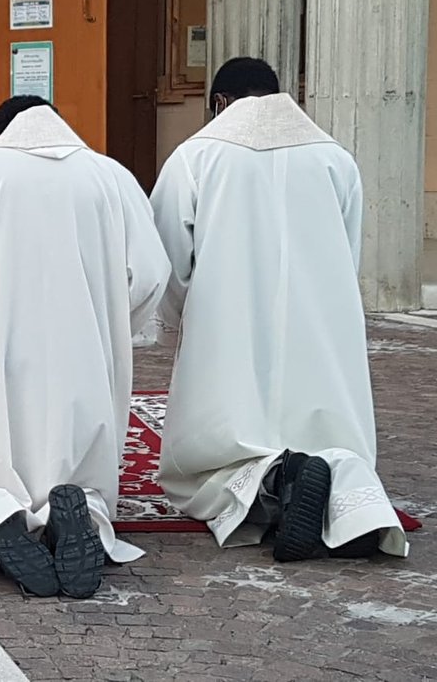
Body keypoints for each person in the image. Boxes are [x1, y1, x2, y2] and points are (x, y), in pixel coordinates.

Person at [0, 96, 170, 598]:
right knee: (82, 465)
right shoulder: (111, 178)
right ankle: (81, 512)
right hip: (83, 354)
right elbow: (150, 274)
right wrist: (106, 325)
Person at [150, 56, 408, 562]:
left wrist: (180, 323)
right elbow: (347, 252)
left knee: (212, 464)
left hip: (228, 328)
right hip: (320, 328)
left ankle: (272, 480)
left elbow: (168, 260)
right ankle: (351, 504)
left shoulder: (196, 157)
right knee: (334, 444)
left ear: (219, 103)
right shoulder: (334, 157)